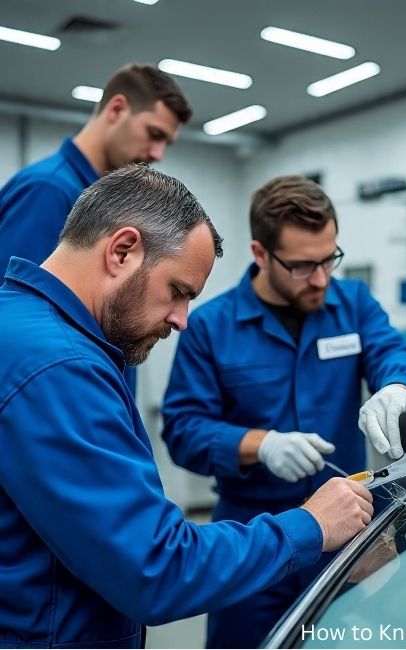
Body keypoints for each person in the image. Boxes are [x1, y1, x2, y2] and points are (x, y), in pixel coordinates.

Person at [0, 165, 372, 649]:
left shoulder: (20, 325)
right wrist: (311, 524)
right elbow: (156, 567)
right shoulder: (60, 367)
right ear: (122, 251)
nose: (181, 320)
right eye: (178, 291)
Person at [161, 174, 406, 648]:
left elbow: (395, 355)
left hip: (349, 528)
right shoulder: (210, 327)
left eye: (330, 259)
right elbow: (183, 430)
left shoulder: (354, 304)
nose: (322, 278)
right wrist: (260, 446)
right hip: (253, 539)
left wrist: (398, 388)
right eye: (305, 266)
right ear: (261, 254)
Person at [0, 62, 191, 396]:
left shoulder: (103, 203)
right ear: (117, 109)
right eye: (154, 134)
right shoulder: (48, 191)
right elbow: (17, 322)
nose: (157, 154)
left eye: (166, 143)